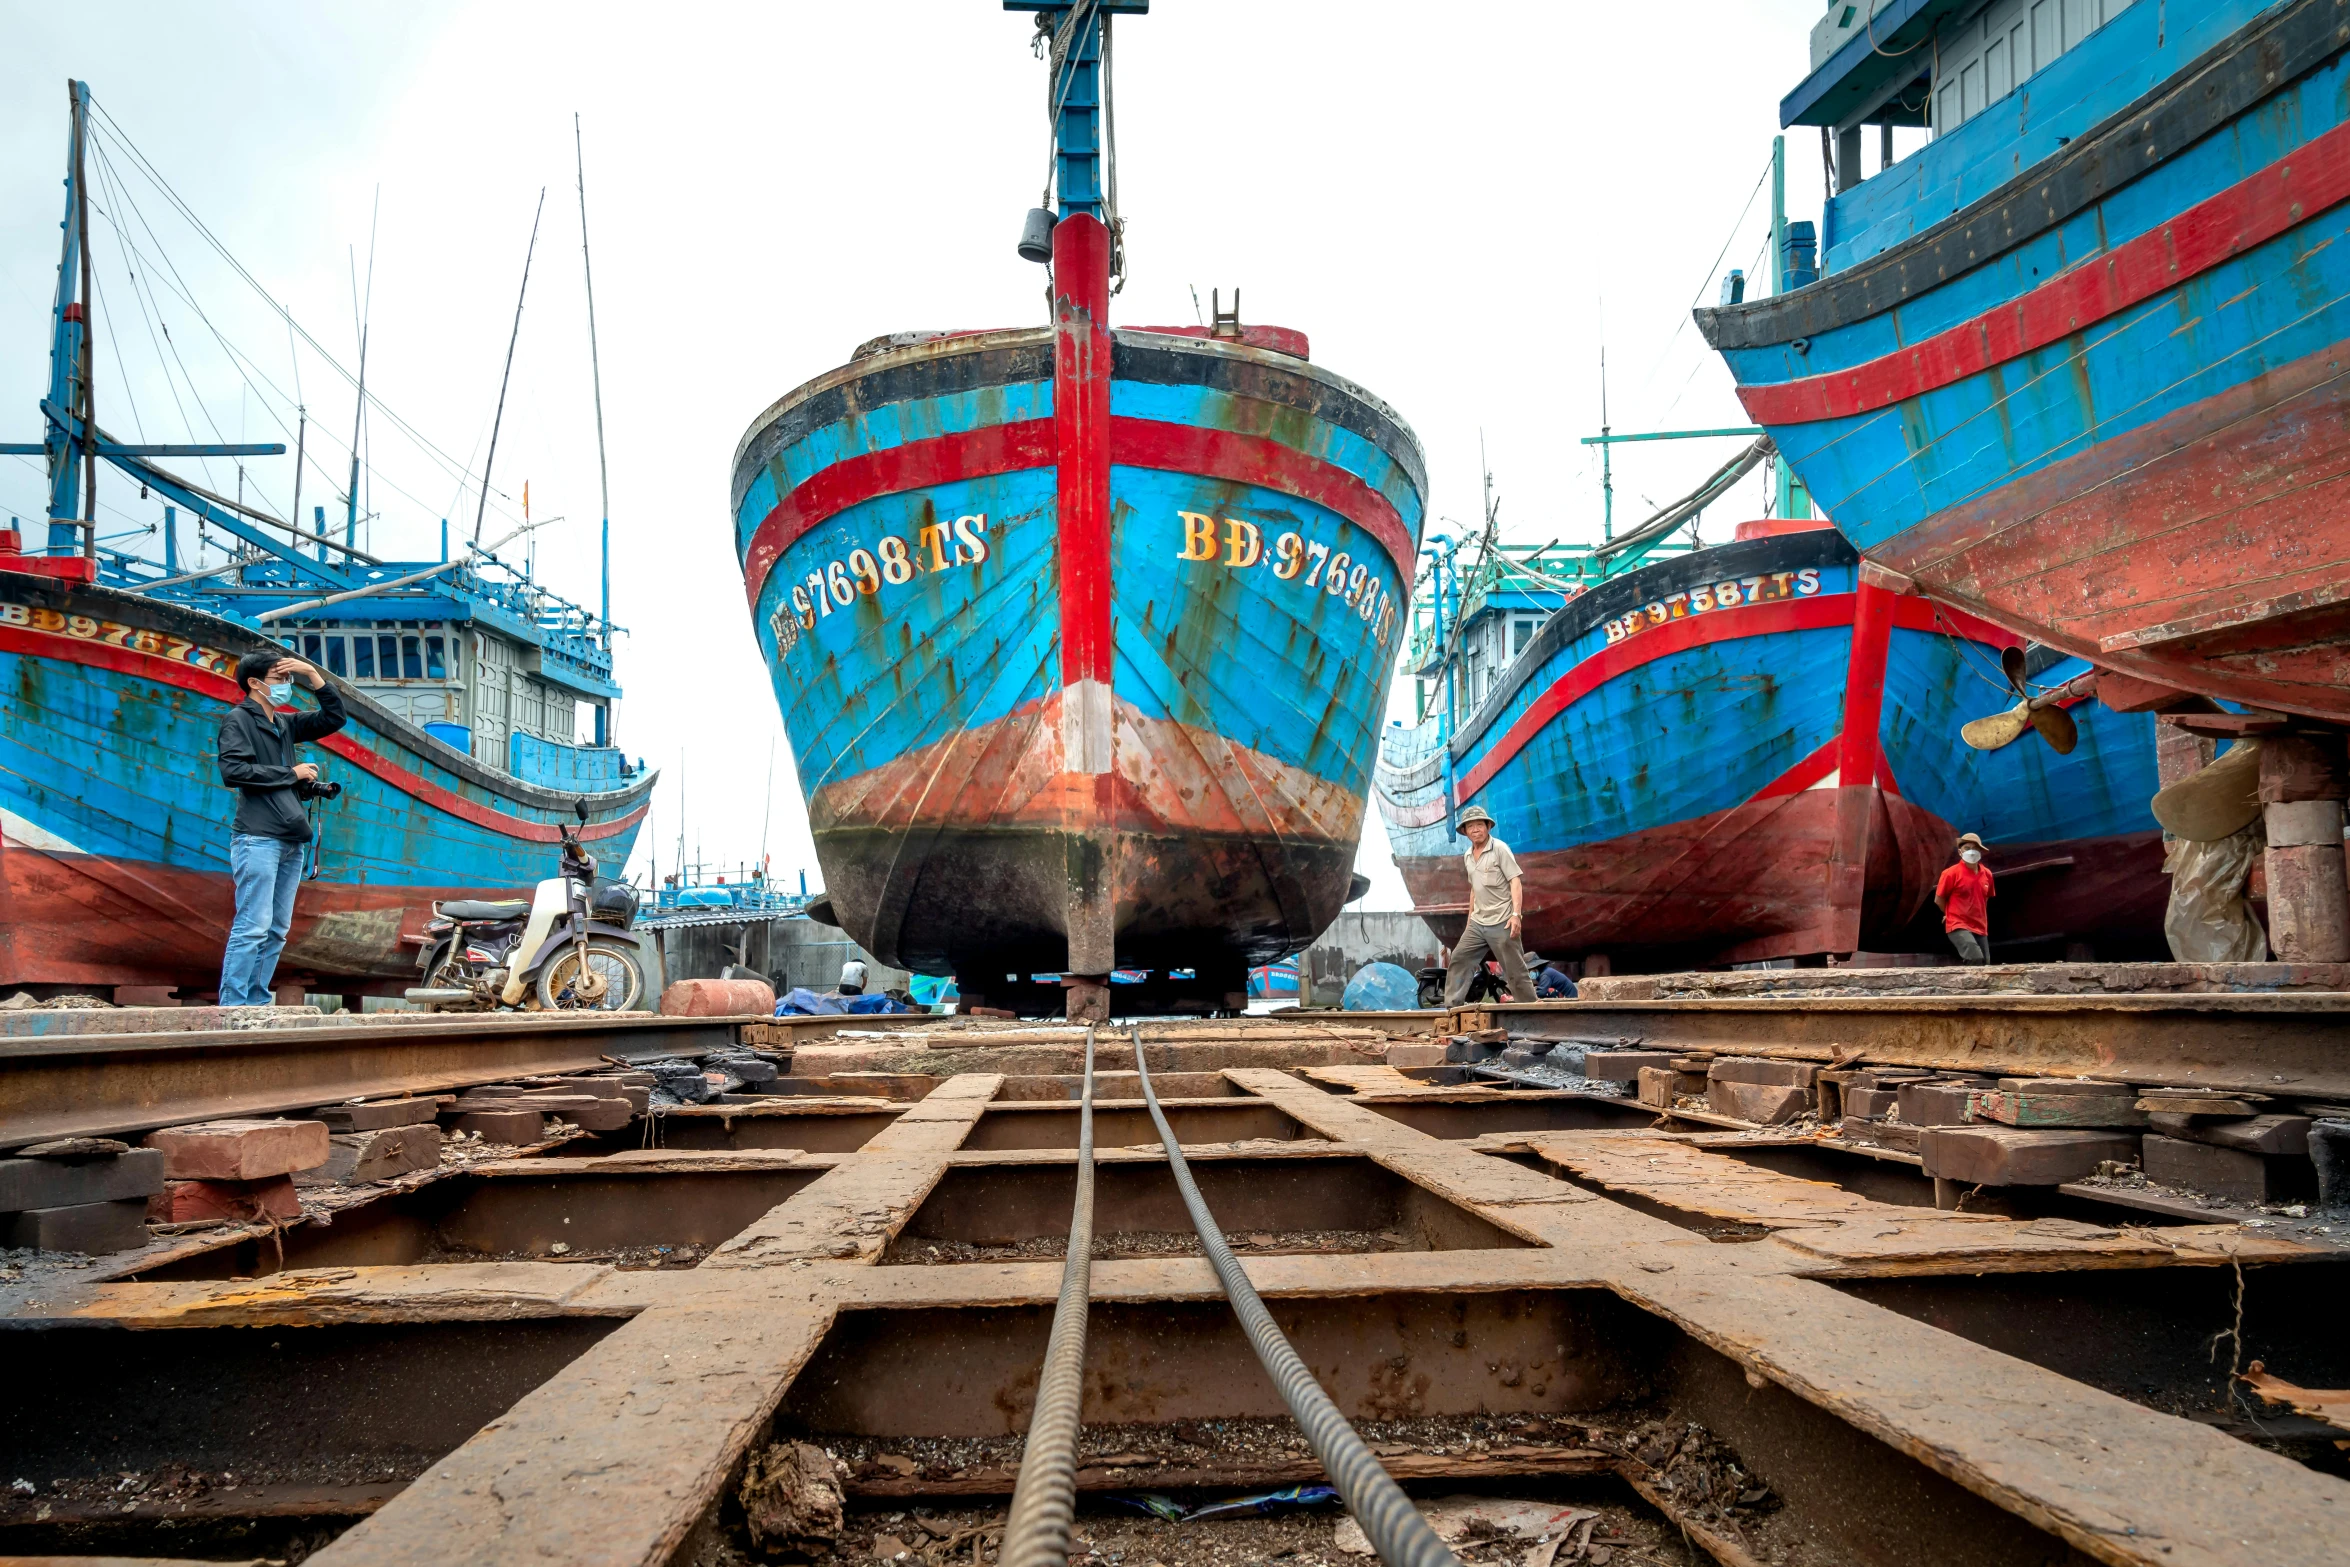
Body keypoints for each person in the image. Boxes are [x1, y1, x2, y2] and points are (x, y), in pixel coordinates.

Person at [216, 651, 345, 1006]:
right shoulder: (238, 720)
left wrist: (312, 674)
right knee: (253, 925)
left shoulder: (284, 723)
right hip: (257, 838)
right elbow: (234, 772)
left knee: (276, 931)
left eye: (289, 679)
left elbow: (333, 717)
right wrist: (292, 773)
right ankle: (233, 1005)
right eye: (280, 678)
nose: (287, 685)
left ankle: (256, 1003)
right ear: (255, 684)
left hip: (290, 840)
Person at [1444, 804, 1535, 1005]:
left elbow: (1515, 881)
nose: (1476, 829)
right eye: (1471, 826)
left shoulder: (1500, 849)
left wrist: (1516, 915)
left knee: (1514, 969)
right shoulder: (1467, 856)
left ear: (1487, 827)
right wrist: (1469, 922)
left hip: (1502, 920)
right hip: (1478, 922)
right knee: (1459, 960)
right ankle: (1452, 1008)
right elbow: (1474, 890)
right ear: (1465, 832)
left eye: (1479, 825)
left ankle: (1530, 1009)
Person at [1935, 831, 1996, 965]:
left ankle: (1976, 985)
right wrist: (1948, 913)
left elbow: (1985, 897)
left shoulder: (1987, 874)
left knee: (1986, 963)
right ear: (1960, 852)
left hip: (1980, 925)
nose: (1971, 852)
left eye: (1975, 848)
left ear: (1980, 852)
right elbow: (1939, 899)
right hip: (1958, 924)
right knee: (1975, 957)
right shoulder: (1950, 873)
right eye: (1967, 848)